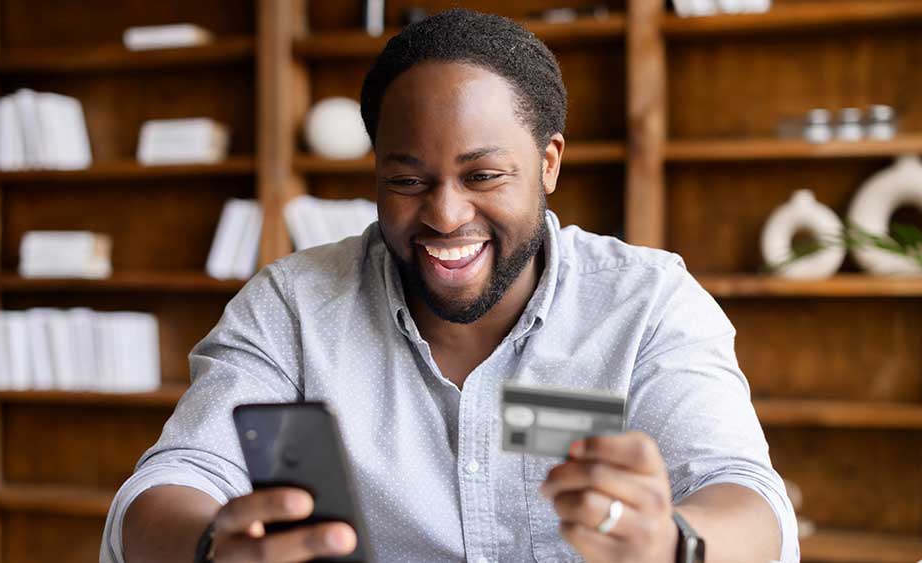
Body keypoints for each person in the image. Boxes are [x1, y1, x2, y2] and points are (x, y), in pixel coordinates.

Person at [103, 9, 798, 563]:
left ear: (548, 162)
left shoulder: (647, 303)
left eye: (483, 176)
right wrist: (207, 546)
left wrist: (675, 543)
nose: (444, 214)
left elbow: (747, 498)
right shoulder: (293, 305)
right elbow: (168, 485)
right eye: (407, 181)